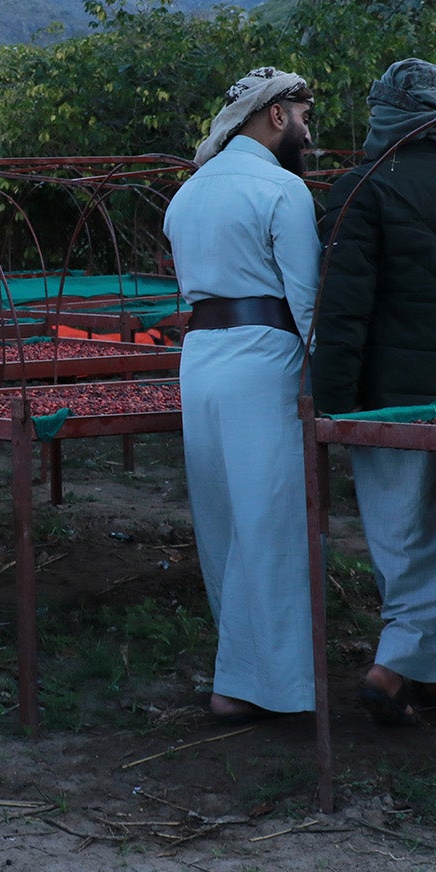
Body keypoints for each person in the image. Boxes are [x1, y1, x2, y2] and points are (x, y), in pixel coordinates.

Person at [310, 59, 436, 725]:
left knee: (402, 535)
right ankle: (435, 677)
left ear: (384, 121)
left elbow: (340, 310)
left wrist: (331, 400)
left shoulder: (361, 189)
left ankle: (392, 667)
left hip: (388, 395)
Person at [164, 66, 320, 721]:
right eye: (305, 117)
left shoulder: (188, 195)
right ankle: (270, 687)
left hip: (200, 361)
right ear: (277, 114)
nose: (308, 132)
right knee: (272, 521)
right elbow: (307, 299)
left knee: (224, 520)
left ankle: (239, 675)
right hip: (263, 362)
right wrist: (324, 388)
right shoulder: (283, 190)